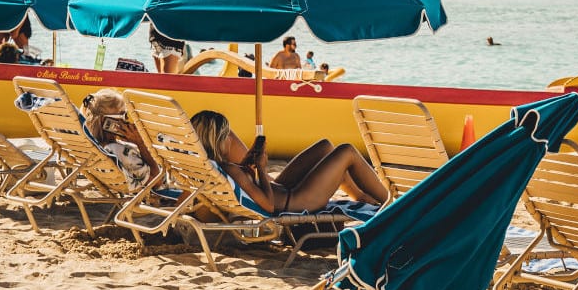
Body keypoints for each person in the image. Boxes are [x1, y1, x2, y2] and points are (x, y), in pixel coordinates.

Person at [190, 109, 387, 215]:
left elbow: (249, 188)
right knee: (347, 151)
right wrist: (260, 168)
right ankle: (391, 200)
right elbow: (267, 206)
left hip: (282, 190)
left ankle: (360, 196)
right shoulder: (229, 170)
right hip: (296, 201)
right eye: (226, 136)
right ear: (216, 140)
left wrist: (249, 166)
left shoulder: (216, 168)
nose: (230, 140)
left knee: (325, 146)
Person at [81, 89, 160, 190]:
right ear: (107, 123)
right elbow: (156, 182)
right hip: (161, 189)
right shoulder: (121, 151)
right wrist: (140, 143)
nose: (126, 120)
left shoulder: (97, 147)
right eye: (123, 115)